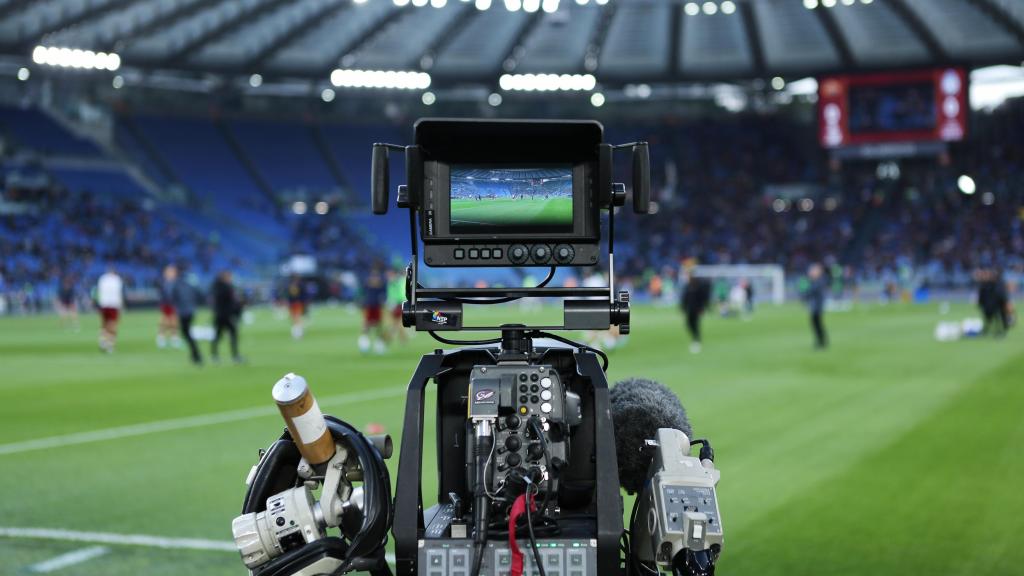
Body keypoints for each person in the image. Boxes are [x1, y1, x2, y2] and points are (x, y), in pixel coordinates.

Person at [169, 267, 203, 365]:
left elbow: (172, 296)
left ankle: (196, 355)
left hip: (183, 312)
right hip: (191, 311)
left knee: (186, 333)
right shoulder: (190, 284)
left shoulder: (175, 284)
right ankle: (195, 355)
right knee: (187, 333)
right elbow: (199, 294)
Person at [211, 270, 243, 363]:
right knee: (233, 335)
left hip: (219, 315)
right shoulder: (227, 288)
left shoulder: (216, 287)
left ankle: (214, 354)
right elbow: (232, 302)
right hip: (226, 315)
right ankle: (235, 355)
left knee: (218, 335)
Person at [680, 268, 711, 354]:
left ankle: (696, 340)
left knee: (696, 324)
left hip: (696, 309)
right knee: (688, 324)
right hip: (689, 309)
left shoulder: (698, 285)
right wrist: (682, 309)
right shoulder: (687, 286)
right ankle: (695, 338)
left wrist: (703, 308)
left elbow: (703, 297)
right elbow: (684, 298)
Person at [359, 266, 388, 354]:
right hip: (369, 306)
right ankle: (364, 343)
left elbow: (384, 296)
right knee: (366, 325)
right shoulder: (367, 285)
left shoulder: (381, 286)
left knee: (379, 326)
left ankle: (379, 345)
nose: (375, 278)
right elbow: (363, 295)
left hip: (377, 307)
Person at [96, 265, 124, 353]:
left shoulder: (102, 278)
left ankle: (103, 341)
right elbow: (119, 293)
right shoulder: (117, 279)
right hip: (114, 304)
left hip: (104, 304)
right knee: (113, 324)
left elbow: (99, 292)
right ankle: (110, 344)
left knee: (104, 324)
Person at [978, 268, 1011, 338]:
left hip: (999, 305)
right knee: (991, 318)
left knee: (1000, 319)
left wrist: (1006, 303)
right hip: (993, 305)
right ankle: (991, 331)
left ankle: (1001, 332)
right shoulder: (989, 284)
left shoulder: (999, 284)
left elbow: (1002, 295)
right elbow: (984, 296)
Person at [805, 263, 829, 350]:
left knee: (817, 325)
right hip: (816, 306)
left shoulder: (819, 281)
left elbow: (811, 292)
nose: (811, 272)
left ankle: (821, 342)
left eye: (813, 271)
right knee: (816, 325)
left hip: (817, 307)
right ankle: (820, 341)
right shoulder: (817, 281)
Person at [157, 264, 180, 349]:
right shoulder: (163, 282)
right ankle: (161, 337)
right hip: (166, 304)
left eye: (173, 272)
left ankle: (174, 338)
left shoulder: (176, 282)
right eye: (169, 271)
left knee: (174, 321)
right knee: (165, 321)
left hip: (174, 304)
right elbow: (162, 294)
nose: (171, 273)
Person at [385, 268, 408, 345]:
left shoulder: (396, 281)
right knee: (396, 324)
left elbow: (399, 294)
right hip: (395, 303)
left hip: (397, 304)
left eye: (390, 274)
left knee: (394, 324)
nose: (388, 276)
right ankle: (402, 339)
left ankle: (387, 340)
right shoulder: (393, 282)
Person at [287, 275, 306, 340]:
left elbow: (302, 295)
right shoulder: (292, 285)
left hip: (297, 303)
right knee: (295, 318)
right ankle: (298, 331)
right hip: (294, 304)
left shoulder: (299, 285)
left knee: (297, 318)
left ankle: (299, 332)